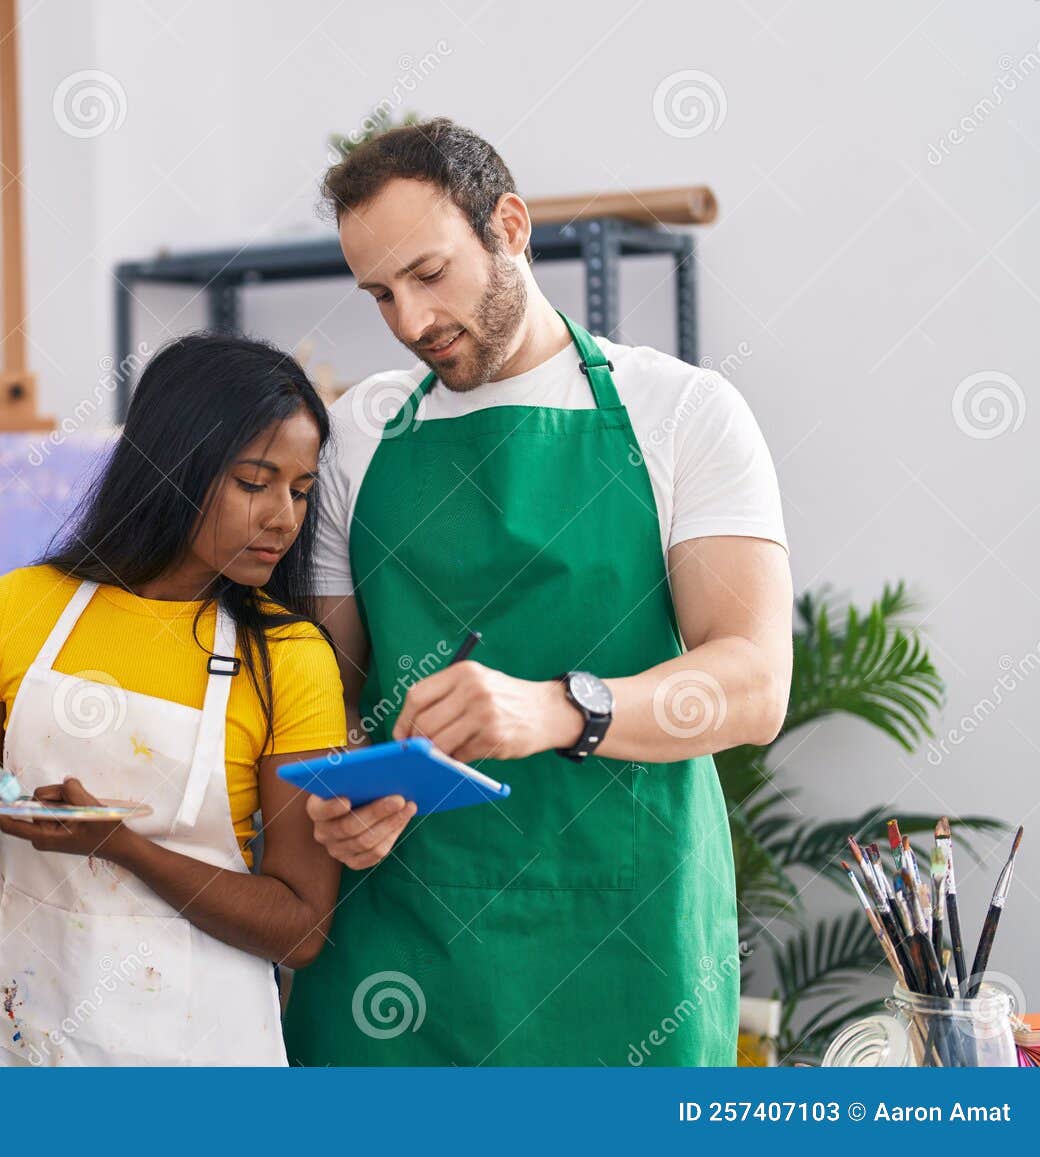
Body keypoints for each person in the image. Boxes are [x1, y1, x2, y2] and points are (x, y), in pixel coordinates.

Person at [283, 119, 793, 1066]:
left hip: (626, 944)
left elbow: (756, 684)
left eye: (429, 274)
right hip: (404, 944)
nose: (411, 321)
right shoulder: (358, 431)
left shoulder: (681, 412)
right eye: (381, 294)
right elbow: (328, 688)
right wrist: (345, 789)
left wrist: (558, 708)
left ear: (509, 226)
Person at [0, 333, 347, 1066]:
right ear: (174, 465)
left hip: (203, 1054)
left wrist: (124, 848)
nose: (284, 519)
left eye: (300, 491)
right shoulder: (8, 613)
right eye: (254, 483)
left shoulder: (291, 659)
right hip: (32, 1039)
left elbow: (299, 926)